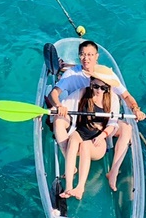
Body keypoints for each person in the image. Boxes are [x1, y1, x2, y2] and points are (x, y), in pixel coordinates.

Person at [54, 67, 135, 198]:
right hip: (81, 131)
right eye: (96, 86)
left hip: (97, 139)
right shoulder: (82, 93)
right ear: (91, 83)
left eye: (103, 88)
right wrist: (57, 108)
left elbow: (112, 124)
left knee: (85, 145)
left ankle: (80, 187)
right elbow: (65, 104)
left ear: (108, 88)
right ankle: (69, 187)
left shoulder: (112, 99)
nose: (98, 90)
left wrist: (102, 136)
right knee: (74, 140)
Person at [48, 39, 146, 124]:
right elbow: (54, 93)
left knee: (125, 128)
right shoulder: (71, 74)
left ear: (97, 56)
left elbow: (126, 96)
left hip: (101, 117)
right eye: (82, 54)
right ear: (79, 56)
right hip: (77, 116)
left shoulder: (106, 74)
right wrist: (59, 106)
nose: (86, 58)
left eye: (90, 55)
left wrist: (135, 109)